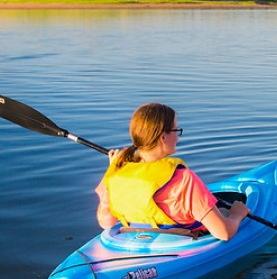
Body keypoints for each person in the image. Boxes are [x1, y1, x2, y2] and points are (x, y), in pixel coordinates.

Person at [95, 102, 249, 240]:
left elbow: (105, 222)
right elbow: (224, 233)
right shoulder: (184, 180)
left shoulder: (115, 174)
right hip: (181, 243)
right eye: (176, 130)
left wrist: (114, 168)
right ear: (163, 137)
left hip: (132, 239)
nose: (178, 137)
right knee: (224, 212)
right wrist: (236, 215)